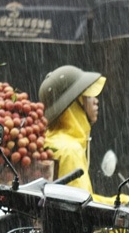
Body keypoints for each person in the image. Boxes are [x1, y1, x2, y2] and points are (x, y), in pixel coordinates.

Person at [39, 64, 106, 194]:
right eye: (88, 95)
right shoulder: (70, 150)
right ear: (74, 104)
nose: (96, 101)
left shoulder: (48, 140)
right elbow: (82, 203)